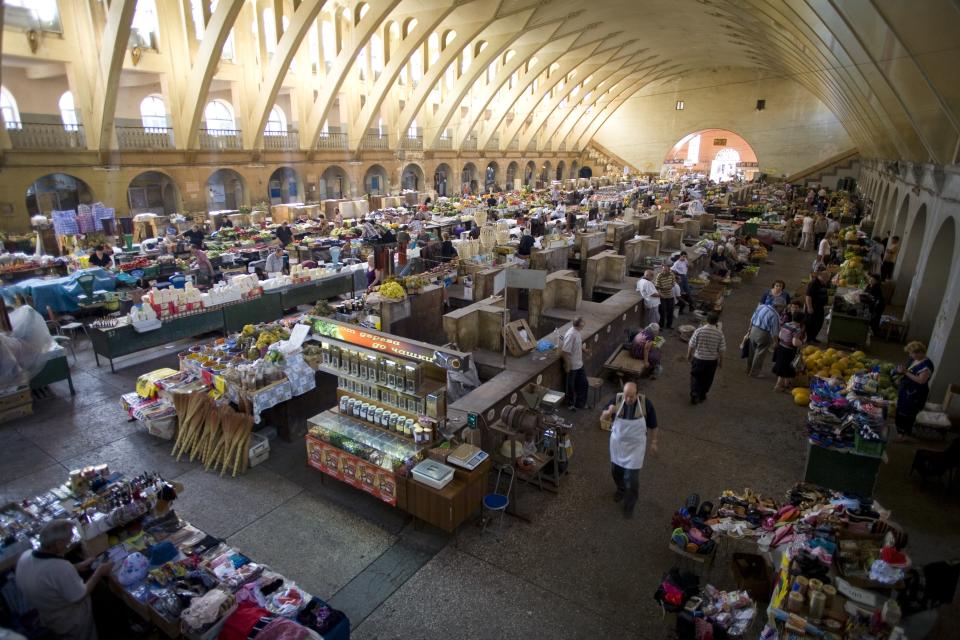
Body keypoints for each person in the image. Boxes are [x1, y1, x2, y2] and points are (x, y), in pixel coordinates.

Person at [16, 519, 114, 640]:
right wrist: (99, 572)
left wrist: (77, 567)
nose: (68, 545)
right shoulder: (59, 568)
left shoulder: (26, 556)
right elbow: (80, 594)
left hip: (48, 615)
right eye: (67, 542)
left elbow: (46, 576)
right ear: (58, 544)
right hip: (71, 621)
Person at [601, 381, 658, 519]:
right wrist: (609, 412)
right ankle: (620, 489)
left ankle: (629, 504)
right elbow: (602, 418)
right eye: (626, 395)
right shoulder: (617, 400)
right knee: (616, 472)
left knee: (631, 478)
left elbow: (654, 425)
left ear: (637, 394)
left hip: (635, 448)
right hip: (618, 446)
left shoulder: (645, 404)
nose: (628, 399)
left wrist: (654, 442)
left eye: (631, 396)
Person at [894, 341, 935, 440]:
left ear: (919, 352)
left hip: (915, 394)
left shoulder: (926, 365)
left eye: (911, 353)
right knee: (900, 411)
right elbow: (908, 369)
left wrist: (905, 372)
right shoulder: (914, 360)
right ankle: (899, 432)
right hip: (907, 391)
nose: (910, 355)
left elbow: (921, 381)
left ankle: (904, 435)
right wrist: (900, 371)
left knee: (908, 414)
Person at [687, 311, 725, 404]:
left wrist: (688, 355)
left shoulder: (699, 331)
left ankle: (695, 393)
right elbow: (722, 350)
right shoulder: (719, 334)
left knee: (695, 376)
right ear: (716, 322)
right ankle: (703, 394)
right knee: (708, 378)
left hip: (698, 359)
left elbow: (691, 344)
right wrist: (721, 362)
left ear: (707, 320)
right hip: (711, 361)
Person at [772, 312, 806, 391]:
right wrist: (802, 344)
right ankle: (778, 386)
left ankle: (786, 384)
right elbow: (795, 342)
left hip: (781, 347)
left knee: (786, 367)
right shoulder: (797, 329)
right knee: (784, 368)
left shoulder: (786, 324)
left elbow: (780, 335)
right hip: (788, 351)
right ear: (802, 321)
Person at [746, 302, 780, 377]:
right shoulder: (775, 315)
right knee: (759, 353)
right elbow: (774, 332)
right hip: (764, 334)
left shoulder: (761, 307)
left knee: (751, 351)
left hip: (754, 330)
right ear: (779, 307)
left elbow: (752, 319)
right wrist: (775, 342)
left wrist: (749, 330)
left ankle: (748, 369)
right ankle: (754, 373)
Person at [561, 317, 588, 410]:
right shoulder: (571, 334)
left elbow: (577, 344)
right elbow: (564, 351)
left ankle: (580, 403)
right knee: (570, 386)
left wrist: (584, 349)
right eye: (582, 324)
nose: (583, 326)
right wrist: (568, 364)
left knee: (584, 383)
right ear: (578, 325)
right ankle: (570, 404)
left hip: (579, 364)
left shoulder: (577, 332)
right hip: (572, 365)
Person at [804, 267, 831, 343]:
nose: (828, 280)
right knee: (810, 323)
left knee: (818, 323)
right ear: (823, 277)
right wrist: (809, 307)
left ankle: (813, 337)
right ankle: (808, 339)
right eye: (827, 278)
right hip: (813, 307)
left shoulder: (823, 283)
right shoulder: (814, 283)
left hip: (819, 307)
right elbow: (808, 296)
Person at [654, 262, 676, 329]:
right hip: (662, 295)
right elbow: (657, 287)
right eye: (663, 270)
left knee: (670, 310)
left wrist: (671, 286)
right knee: (662, 311)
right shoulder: (659, 276)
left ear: (669, 270)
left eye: (666, 270)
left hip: (670, 295)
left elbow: (673, 283)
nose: (664, 271)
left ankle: (669, 325)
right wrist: (663, 288)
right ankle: (661, 325)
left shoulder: (672, 274)